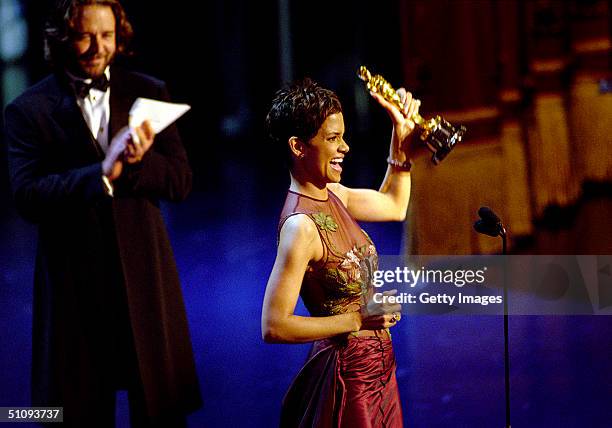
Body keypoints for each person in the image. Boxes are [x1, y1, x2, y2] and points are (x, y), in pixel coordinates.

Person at [4, 1, 201, 426]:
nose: (98, 47)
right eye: (84, 35)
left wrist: (138, 162)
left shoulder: (150, 91)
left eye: (107, 35)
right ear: (60, 37)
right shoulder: (27, 110)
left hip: (145, 281)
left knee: (160, 410)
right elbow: (27, 196)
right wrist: (102, 172)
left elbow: (181, 181)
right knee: (73, 412)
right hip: (74, 289)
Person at [262, 78, 420, 427]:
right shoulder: (300, 227)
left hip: (380, 369)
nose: (345, 147)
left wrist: (400, 133)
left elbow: (395, 205)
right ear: (299, 147)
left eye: (342, 136)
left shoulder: (334, 192)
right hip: (349, 380)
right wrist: (356, 320)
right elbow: (273, 325)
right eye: (332, 139)